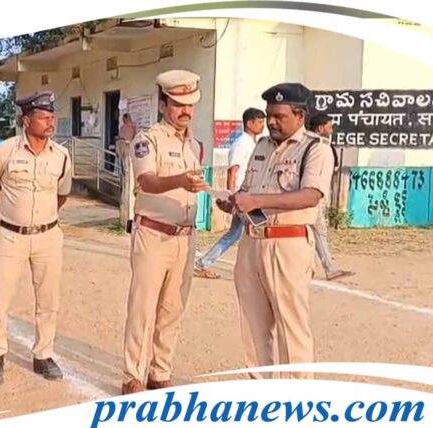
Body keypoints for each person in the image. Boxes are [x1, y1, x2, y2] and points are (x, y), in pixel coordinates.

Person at [220, 83, 334, 380]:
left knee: (291, 328)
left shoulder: (316, 149)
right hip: (252, 244)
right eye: (269, 115)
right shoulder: (261, 146)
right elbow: (248, 190)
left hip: (288, 245)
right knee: (254, 328)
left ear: (300, 115)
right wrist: (234, 203)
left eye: (279, 116)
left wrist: (256, 200)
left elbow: (311, 195)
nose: (271, 121)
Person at [0, 91, 72, 386]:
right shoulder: (4, 151)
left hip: (48, 237)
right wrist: (4, 216)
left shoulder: (61, 156)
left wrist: (42, 219)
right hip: (10, 237)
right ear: (26, 120)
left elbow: (62, 194)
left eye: (52, 117)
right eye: (43, 117)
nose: (50, 122)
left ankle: (43, 354)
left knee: (48, 301)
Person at [121, 70, 208, 394]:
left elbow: (193, 188)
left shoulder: (195, 145)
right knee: (143, 308)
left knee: (173, 309)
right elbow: (147, 182)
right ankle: (132, 375)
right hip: (153, 235)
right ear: (163, 105)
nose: (185, 111)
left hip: (185, 237)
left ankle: (160, 373)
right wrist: (180, 181)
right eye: (178, 104)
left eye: (190, 105)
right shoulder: (148, 140)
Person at [194, 108, 266, 279]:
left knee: (235, 234)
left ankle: (202, 263)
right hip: (242, 195)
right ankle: (257, 270)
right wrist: (232, 197)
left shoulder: (252, 144)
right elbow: (232, 171)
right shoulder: (241, 144)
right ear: (249, 123)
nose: (263, 125)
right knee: (258, 231)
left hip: (248, 195)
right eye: (259, 122)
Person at [306, 113, 355, 281]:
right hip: (313, 195)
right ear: (320, 128)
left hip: (309, 194)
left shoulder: (306, 143)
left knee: (309, 232)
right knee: (318, 231)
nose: (331, 130)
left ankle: (310, 268)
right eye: (329, 126)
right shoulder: (319, 146)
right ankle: (329, 268)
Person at [116, 114, 137, 228]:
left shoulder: (128, 127)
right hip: (125, 151)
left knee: (124, 173)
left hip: (126, 151)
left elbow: (124, 138)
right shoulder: (131, 127)